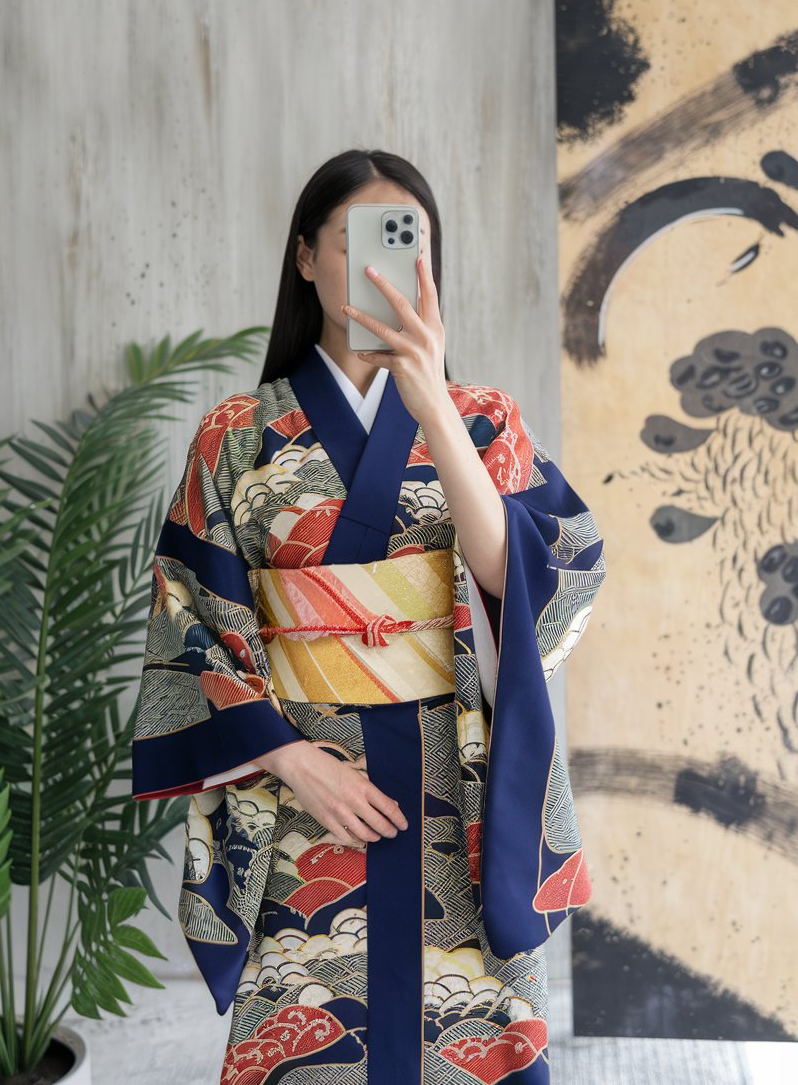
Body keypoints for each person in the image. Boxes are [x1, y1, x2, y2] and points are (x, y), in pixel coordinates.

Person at [130, 149, 607, 1084]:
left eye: (409, 244)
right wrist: (292, 760)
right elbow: (191, 612)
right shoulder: (237, 433)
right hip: (306, 788)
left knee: (468, 1037)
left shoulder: (484, 420)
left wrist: (429, 396)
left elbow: (536, 578)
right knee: (314, 1038)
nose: (386, 268)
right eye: (358, 244)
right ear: (307, 257)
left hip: (458, 787)